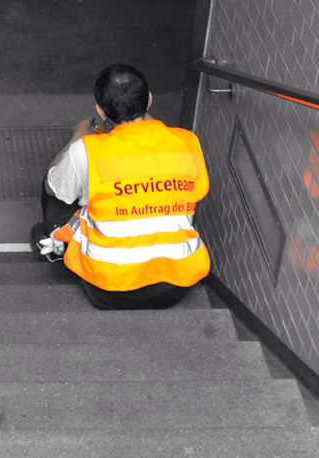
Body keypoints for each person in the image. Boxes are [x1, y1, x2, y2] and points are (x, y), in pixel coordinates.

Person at [31, 64, 210, 310]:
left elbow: (54, 189)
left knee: (57, 183)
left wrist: (77, 138)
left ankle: (56, 240)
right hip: (178, 284)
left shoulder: (87, 150)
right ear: (149, 99)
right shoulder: (188, 141)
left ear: (100, 111)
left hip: (111, 289)